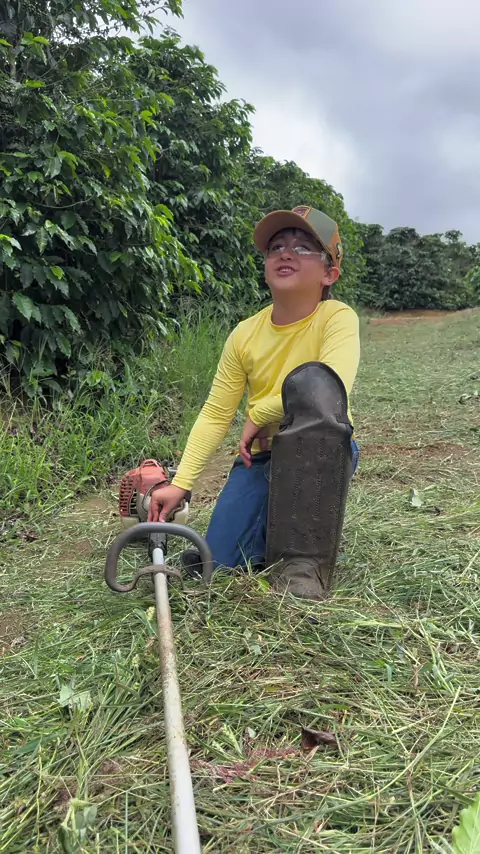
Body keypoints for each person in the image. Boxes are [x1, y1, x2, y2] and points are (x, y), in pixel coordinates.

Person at [148, 205, 360, 600]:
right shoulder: (244, 334)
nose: (285, 253)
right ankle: (267, 537)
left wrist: (261, 413)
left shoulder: (337, 317)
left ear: (329, 274)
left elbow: (326, 386)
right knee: (218, 563)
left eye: (303, 247)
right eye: (276, 247)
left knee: (291, 542)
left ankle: (303, 565)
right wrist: (181, 483)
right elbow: (216, 413)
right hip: (260, 457)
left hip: (320, 453)